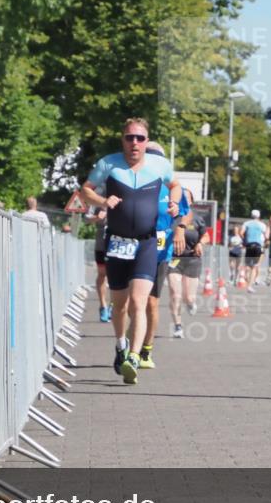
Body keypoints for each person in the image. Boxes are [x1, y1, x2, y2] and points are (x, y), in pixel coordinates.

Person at [81, 118, 180, 384]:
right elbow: (85, 191)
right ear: (123, 140)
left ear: (146, 141)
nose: (134, 143)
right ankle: (121, 345)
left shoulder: (160, 165)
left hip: (147, 243)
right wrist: (103, 200)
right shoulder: (108, 164)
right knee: (120, 305)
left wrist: (174, 202)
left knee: (139, 302)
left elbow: (176, 185)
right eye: (129, 138)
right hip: (117, 242)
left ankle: (134, 357)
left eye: (140, 138)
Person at [137, 141, 189, 370]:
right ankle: (129, 344)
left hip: (160, 250)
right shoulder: (134, 181)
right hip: (134, 247)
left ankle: (145, 350)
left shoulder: (172, 186)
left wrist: (180, 229)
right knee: (131, 301)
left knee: (150, 302)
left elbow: (186, 213)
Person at [168, 189, 208, 338]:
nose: (183, 200)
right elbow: (160, 236)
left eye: (186, 198)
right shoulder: (170, 217)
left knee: (189, 298)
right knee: (175, 294)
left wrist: (200, 244)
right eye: (181, 198)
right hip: (174, 259)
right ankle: (178, 326)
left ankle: (191, 303)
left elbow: (206, 236)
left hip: (192, 259)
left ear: (191, 201)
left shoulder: (197, 219)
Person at [86, 207, 111, 322]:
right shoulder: (96, 200)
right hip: (101, 244)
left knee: (117, 276)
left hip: (118, 243)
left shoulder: (123, 197)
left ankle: (114, 305)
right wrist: (97, 217)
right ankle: (103, 306)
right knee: (102, 274)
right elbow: (87, 219)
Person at [240, 210, 268, 291]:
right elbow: (266, 236)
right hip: (258, 246)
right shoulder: (262, 225)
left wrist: (245, 240)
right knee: (254, 267)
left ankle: (245, 279)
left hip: (249, 245)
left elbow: (241, 233)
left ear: (251, 215)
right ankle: (250, 285)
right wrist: (265, 242)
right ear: (259, 216)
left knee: (247, 265)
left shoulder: (246, 223)